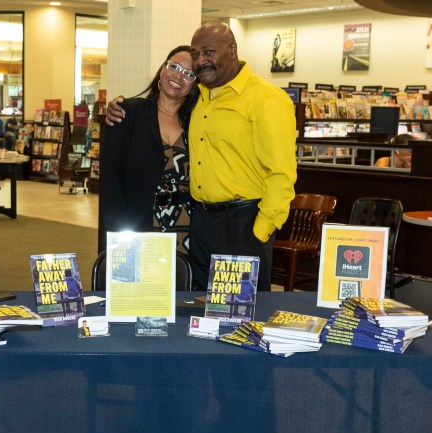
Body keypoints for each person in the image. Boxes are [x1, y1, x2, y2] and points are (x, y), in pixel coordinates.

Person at [107, 23, 297, 291]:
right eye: (195, 54)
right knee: (197, 308)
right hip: (200, 224)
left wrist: (258, 233)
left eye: (208, 51)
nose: (200, 61)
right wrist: (108, 109)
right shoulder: (201, 100)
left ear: (232, 50)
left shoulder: (267, 98)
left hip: (243, 223)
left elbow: (282, 173)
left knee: (238, 316)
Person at [100, 45, 199, 257]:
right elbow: (111, 183)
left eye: (188, 74)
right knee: (141, 288)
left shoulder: (199, 123)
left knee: (183, 287)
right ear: (162, 69)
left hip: (188, 231)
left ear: (195, 85)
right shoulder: (127, 113)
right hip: (138, 225)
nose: (178, 76)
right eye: (174, 66)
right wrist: (113, 241)